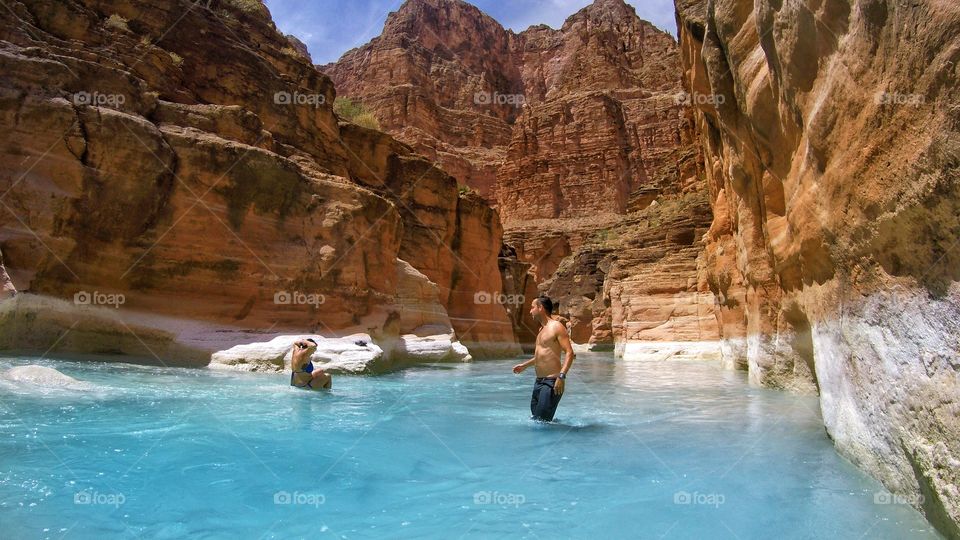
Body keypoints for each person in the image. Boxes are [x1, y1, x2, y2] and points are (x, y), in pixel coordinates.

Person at [512, 296, 575, 421]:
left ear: (540, 308)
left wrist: (561, 377)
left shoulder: (556, 327)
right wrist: (524, 366)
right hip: (539, 383)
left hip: (551, 382)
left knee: (542, 424)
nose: (530, 311)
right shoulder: (541, 330)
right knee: (537, 420)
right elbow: (541, 356)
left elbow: (569, 353)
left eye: (532, 307)